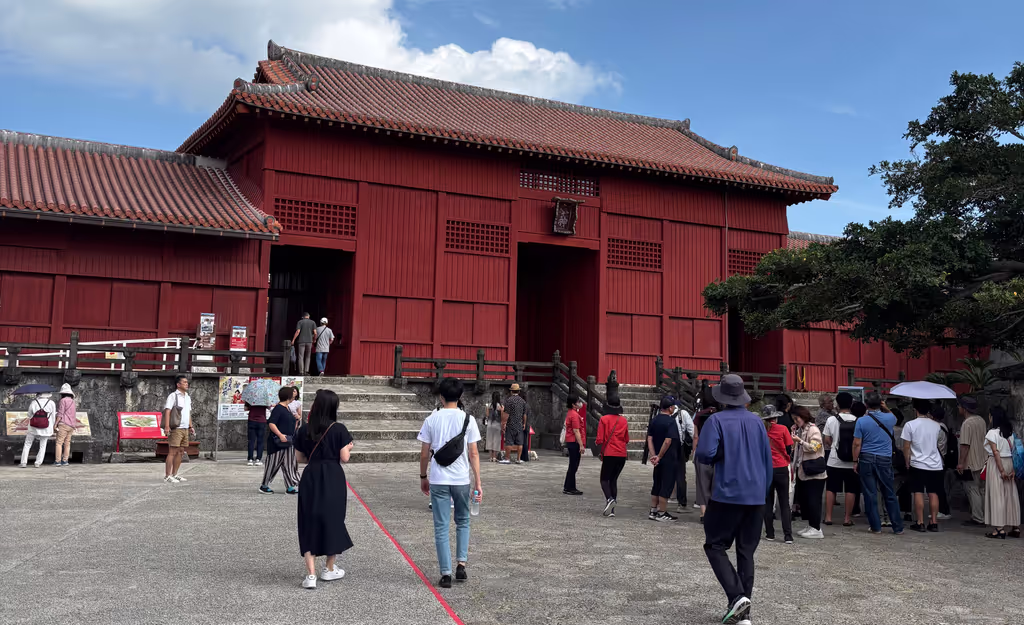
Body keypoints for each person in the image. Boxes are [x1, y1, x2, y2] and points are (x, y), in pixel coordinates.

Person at [695, 374, 773, 625]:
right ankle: (743, 613)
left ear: (721, 398)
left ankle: (736, 595)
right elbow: (767, 460)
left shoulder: (715, 420)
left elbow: (704, 454)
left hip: (727, 493)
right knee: (746, 552)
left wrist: (720, 455)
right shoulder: (758, 422)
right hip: (756, 495)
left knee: (715, 546)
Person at [418, 377, 483, 588]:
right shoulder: (468, 419)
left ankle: (445, 573)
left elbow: (424, 453)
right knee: (463, 521)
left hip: (438, 479)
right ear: (460, 396)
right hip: (461, 479)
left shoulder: (431, 419)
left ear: (441, 396)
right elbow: (473, 453)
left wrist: (423, 477)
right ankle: (461, 565)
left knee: (441, 526)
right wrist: (478, 483)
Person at [294, 389, 354, 589]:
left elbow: (300, 458)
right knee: (333, 519)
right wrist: (349, 447)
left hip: (311, 476)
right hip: (332, 477)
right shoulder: (339, 429)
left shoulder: (304, 429)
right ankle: (329, 568)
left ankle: (310, 575)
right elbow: (344, 457)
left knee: (308, 520)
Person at [852, 392, 904, 535]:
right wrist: (886, 407)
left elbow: (857, 444)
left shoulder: (861, 421)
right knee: (889, 493)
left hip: (866, 457)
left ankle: (876, 526)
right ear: (880, 403)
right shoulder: (889, 418)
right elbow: (894, 417)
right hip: (885, 458)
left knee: (870, 493)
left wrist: (855, 461)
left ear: (866, 405)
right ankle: (897, 526)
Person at [901, 398, 944, 532]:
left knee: (918, 492)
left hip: (918, 463)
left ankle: (920, 522)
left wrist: (907, 461)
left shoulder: (910, 425)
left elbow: (906, 447)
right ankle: (934, 522)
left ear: (915, 410)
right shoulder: (937, 425)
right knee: (933, 492)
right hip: (935, 463)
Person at [823, 392, 860, 527]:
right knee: (850, 490)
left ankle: (828, 517)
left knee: (831, 488)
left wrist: (834, 444)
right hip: (852, 461)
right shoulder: (857, 420)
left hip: (834, 459)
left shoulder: (831, 420)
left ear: (837, 404)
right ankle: (846, 518)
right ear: (851, 404)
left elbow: (826, 440)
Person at [983, 407, 1021, 538]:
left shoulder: (992, 433)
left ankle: (999, 528)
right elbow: (1015, 452)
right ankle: (1015, 526)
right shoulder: (1010, 433)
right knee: (1010, 494)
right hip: (1010, 462)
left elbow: (995, 452)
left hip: (997, 463)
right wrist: (1013, 470)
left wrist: (1001, 470)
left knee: (997, 494)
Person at [792, 406, 827, 539]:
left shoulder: (813, 429)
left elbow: (815, 447)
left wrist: (800, 441)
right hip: (805, 470)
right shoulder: (802, 429)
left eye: (797, 418)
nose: (796, 421)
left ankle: (816, 528)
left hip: (814, 471)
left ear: (803, 416)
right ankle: (811, 525)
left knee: (814, 500)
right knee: (807, 500)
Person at [762, 406, 794, 543]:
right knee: (784, 503)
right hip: (781, 467)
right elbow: (789, 446)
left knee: (768, 502)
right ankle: (788, 535)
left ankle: (770, 533)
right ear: (775, 417)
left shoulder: (762, 431)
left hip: (767, 468)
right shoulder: (783, 429)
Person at [647, 396, 682, 522]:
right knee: (666, 484)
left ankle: (653, 510)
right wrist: (660, 456)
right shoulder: (670, 421)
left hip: (656, 457)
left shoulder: (655, 420)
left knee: (657, 483)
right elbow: (668, 441)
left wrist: (653, 456)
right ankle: (662, 512)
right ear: (670, 408)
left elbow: (649, 438)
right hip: (667, 457)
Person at [261, 386, 301, 495]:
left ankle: (290, 486)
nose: (294, 395)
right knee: (273, 463)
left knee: (289, 464)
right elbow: (271, 423)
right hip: (277, 442)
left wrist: (297, 419)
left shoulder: (287, 408)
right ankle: (264, 485)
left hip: (288, 441)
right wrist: (280, 435)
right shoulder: (278, 409)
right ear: (287, 396)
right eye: (292, 393)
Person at [956, 396, 988, 527]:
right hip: (983, 459)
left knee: (972, 489)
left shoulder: (967, 423)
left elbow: (965, 445)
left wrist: (961, 463)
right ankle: (985, 515)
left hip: (971, 461)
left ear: (964, 409)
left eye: (959, 406)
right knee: (982, 490)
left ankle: (977, 517)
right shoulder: (981, 420)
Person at [596, 392, 629, 517]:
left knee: (604, 479)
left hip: (610, 453)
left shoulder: (604, 419)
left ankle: (610, 499)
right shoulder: (624, 420)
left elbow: (600, 439)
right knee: (613, 480)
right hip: (621, 454)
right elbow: (626, 439)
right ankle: (612, 510)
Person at [693, 384, 719, 523]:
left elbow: (695, 436)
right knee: (715, 483)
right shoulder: (719, 416)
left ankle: (704, 513)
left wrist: (694, 451)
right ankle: (715, 511)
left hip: (702, 451)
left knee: (702, 483)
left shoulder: (700, 415)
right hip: (717, 451)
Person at [162, 374, 194, 484]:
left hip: (185, 427)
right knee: (172, 451)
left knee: (181, 452)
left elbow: (188, 413)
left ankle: (175, 474)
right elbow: (167, 411)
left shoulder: (187, 397)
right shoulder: (173, 396)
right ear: (178, 384)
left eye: (187, 382)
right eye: (184, 382)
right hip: (176, 427)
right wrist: (167, 426)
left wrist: (190, 426)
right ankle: (167, 475)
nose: (187, 384)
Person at [20, 392, 56, 468]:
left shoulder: (34, 402)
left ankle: (23, 462)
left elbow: (29, 415)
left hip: (33, 427)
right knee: (43, 445)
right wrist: (52, 427)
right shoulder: (51, 403)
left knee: (27, 444)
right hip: (46, 427)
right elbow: (53, 417)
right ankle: (38, 462)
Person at [671, 400, 696, 512]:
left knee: (664, 474)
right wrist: (694, 447)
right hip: (679, 447)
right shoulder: (683, 413)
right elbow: (691, 431)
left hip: (665, 448)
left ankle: (659, 503)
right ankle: (682, 503)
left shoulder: (660, 414)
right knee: (680, 475)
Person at [563, 394, 586, 495]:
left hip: (571, 441)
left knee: (572, 465)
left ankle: (568, 486)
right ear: (573, 404)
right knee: (574, 465)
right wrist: (581, 445)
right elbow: (576, 431)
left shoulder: (570, 413)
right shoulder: (574, 415)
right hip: (574, 442)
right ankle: (570, 487)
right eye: (577, 402)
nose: (579, 403)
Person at [500, 383, 527, 464]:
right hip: (519, 424)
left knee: (509, 441)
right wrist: (524, 423)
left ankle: (507, 458)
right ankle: (518, 459)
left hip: (510, 424)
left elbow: (506, 414)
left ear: (511, 391)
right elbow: (524, 414)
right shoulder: (523, 401)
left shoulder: (509, 401)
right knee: (520, 442)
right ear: (519, 391)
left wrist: (503, 423)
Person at [53, 384, 78, 466]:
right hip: (71, 425)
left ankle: (57, 461)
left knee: (59, 442)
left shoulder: (63, 401)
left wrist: (55, 424)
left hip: (63, 424)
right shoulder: (73, 401)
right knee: (67, 443)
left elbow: (60, 413)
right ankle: (65, 460)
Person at [291, 312, 318, 376]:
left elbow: (298, 331)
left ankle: (301, 371)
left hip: (301, 341)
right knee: (308, 356)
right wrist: (314, 339)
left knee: (301, 356)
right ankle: (306, 371)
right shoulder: (313, 322)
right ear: (308, 316)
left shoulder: (300, 322)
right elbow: (315, 333)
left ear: (303, 317)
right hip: (309, 341)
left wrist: (293, 339)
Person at [245, 401, 267, 467]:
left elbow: (245, 408)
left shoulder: (250, 397)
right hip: (262, 421)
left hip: (251, 420)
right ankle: (258, 459)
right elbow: (269, 407)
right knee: (260, 441)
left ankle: (250, 459)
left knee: (251, 441)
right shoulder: (265, 398)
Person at [484, 391, 503, 462]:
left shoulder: (488, 405)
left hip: (490, 424)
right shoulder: (501, 406)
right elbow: (502, 416)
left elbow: (487, 415)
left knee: (489, 440)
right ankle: (494, 457)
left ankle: (490, 457)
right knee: (496, 440)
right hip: (497, 424)